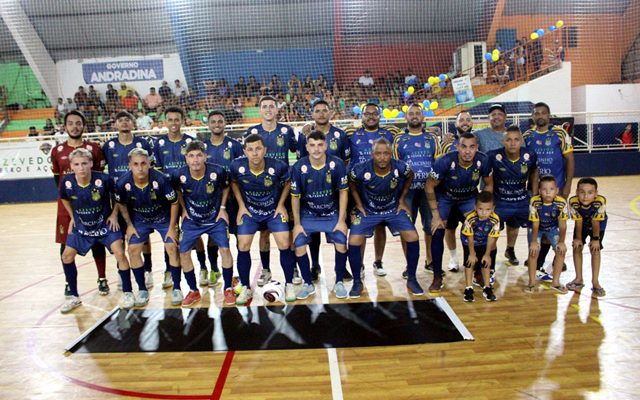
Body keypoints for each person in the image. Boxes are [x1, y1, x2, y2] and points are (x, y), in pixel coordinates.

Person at [58, 148, 133, 313]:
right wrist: (72, 217)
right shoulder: (67, 182)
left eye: (84, 163)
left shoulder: (104, 179)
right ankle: (74, 297)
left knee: (120, 253)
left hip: (105, 225)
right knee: (66, 256)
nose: (81, 168)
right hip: (82, 227)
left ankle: (128, 292)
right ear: (71, 166)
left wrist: (114, 215)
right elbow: (64, 198)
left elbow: (118, 198)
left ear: (91, 163)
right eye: (77, 164)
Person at [347, 138, 423, 297]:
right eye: (378, 153)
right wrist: (358, 203)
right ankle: (356, 282)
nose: (382, 157)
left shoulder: (400, 167)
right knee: (353, 239)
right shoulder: (361, 169)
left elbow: (410, 175)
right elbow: (351, 181)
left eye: (386, 153)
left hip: (392, 209)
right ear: (372, 154)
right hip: (369, 211)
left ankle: (412, 278)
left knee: (413, 236)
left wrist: (402, 199)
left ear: (391, 154)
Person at [230, 134, 297, 305]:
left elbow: (288, 182)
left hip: (273, 212)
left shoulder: (278, 166)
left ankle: (289, 283)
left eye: (258, 149)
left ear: (265, 150)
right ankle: (246, 287)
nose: (255, 153)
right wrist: (241, 206)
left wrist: (281, 205)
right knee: (243, 244)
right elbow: (233, 182)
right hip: (250, 212)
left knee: (284, 242)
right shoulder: (237, 166)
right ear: (245, 151)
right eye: (250, 149)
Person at [426, 133, 493, 293]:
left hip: (469, 198)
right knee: (437, 230)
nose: (467, 151)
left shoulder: (483, 160)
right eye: (463, 146)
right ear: (457, 147)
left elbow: (489, 185)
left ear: (477, 148)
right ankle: (437, 276)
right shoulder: (445, 161)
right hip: (446, 198)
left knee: (477, 228)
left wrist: (484, 206)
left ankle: (476, 273)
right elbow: (429, 186)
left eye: (472, 147)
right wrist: (435, 214)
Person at [51, 110, 108, 296]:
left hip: (93, 205)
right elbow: (57, 179)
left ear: (83, 126)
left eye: (78, 123)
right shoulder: (57, 151)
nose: (75, 126)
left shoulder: (94, 149)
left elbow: (100, 178)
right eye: (71, 123)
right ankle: (69, 283)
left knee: (97, 240)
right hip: (67, 208)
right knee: (65, 244)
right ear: (65, 126)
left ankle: (102, 278)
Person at [171, 141, 233, 307]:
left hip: (214, 218)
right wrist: (184, 209)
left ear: (205, 156)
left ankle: (228, 288)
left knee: (225, 249)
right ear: (186, 159)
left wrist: (222, 208)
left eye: (199, 155)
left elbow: (226, 188)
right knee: (183, 253)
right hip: (192, 220)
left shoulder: (218, 171)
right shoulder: (179, 175)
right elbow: (177, 191)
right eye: (191, 156)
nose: (195, 159)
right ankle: (193, 291)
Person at [115, 148, 179, 307]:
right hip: (140, 219)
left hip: (162, 217)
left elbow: (174, 202)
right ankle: (142, 289)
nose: (140, 168)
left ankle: (177, 288)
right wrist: (129, 225)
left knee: (172, 246)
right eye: (136, 164)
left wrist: (172, 227)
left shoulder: (161, 179)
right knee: (133, 250)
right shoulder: (123, 182)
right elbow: (121, 203)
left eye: (143, 163)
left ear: (149, 163)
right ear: (129, 165)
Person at [244, 96, 297, 286]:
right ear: (260, 110)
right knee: (264, 232)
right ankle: (266, 269)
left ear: (276, 110)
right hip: (260, 190)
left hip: (282, 188)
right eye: (264, 106)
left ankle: (294, 268)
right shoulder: (252, 131)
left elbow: (297, 151)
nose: (268, 109)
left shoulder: (286, 130)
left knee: (287, 230)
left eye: (271, 106)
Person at [291, 131, 349, 299]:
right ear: (307, 147)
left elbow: (343, 193)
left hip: (331, 212)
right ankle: (308, 283)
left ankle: (338, 281)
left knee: (340, 240)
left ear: (325, 145)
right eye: (312, 145)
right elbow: (295, 197)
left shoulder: (337, 164)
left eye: (320, 145)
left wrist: (341, 220)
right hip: (308, 213)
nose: (316, 149)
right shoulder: (299, 167)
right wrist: (297, 224)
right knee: (299, 242)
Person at [297, 100, 350, 281]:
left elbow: (346, 161)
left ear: (330, 113)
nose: (321, 114)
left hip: (334, 194)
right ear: (312, 114)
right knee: (312, 233)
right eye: (317, 111)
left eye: (324, 111)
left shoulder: (340, 135)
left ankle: (342, 269)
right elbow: (302, 162)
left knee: (339, 231)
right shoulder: (305, 135)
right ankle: (314, 265)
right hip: (310, 193)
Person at [345, 103, 400, 277]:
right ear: (361, 116)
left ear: (379, 116)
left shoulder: (389, 134)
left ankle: (378, 261)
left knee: (380, 226)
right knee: (358, 227)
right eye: (367, 113)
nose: (370, 116)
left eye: (374, 113)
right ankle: (359, 265)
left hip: (381, 187)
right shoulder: (350, 134)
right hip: (357, 188)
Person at [102, 111, 154, 286]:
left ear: (133, 123)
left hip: (141, 196)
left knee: (143, 235)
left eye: (127, 120)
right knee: (120, 235)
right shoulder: (108, 146)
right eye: (120, 120)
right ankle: (121, 269)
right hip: (118, 198)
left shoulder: (143, 144)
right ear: (115, 124)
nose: (124, 123)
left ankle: (147, 270)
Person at [524, 102, 574, 275]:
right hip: (536, 191)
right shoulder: (528, 136)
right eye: (536, 113)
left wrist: (567, 186)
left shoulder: (560, 133)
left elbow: (570, 160)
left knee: (555, 225)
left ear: (549, 116)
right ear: (532, 117)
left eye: (543, 113)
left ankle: (556, 259)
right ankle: (537, 259)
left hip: (557, 190)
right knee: (537, 225)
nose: (540, 116)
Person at [393, 103, 441, 277]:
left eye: (417, 114)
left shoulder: (432, 139)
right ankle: (409, 264)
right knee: (407, 227)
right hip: (407, 192)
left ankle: (430, 261)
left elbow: (439, 165)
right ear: (406, 117)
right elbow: (394, 168)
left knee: (430, 227)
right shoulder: (399, 139)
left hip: (428, 191)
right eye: (411, 113)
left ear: (422, 117)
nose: (414, 116)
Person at [487, 126, 538, 271]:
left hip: (522, 201)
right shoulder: (493, 156)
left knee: (539, 226)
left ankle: (535, 263)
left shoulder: (530, 155)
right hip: (501, 201)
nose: (512, 143)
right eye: (508, 140)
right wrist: (490, 201)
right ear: (503, 141)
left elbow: (535, 171)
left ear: (521, 141)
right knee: (492, 231)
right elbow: (487, 179)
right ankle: (490, 266)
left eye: (516, 139)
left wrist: (534, 195)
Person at [203, 111, 243, 281]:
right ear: (209, 125)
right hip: (211, 201)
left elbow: (240, 172)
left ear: (225, 123)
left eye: (220, 121)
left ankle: (241, 271)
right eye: (213, 121)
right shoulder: (203, 147)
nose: (217, 124)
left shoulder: (234, 145)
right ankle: (213, 269)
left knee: (239, 236)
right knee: (213, 237)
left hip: (233, 199)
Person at [440, 111, 475, 273]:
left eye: (468, 119)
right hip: (448, 195)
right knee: (450, 228)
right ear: (456, 124)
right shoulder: (448, 143)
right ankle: (453, 258)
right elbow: (438, 165)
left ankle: (471, 258)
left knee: (471, 227)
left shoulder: (476, 141)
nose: (465, 122)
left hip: (469, 195)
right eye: (462, 120)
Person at [525, 176, 568, 294]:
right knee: (534, 251)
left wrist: (561, 241)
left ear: (557, 190)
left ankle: (556, 282)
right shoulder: (535, 201)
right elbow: (535, 223)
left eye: (551, 189)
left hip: (552, 228)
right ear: (539, 191)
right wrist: (534, 241)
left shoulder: (561, 203)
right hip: (536, 229)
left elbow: (563, 224)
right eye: (544, 189)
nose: (548, 192)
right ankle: (531, 282)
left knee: (561, 251)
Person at [567, 178, 607, 297]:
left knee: (595, 250)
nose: (585, 196)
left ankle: (595, 282)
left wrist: (596, 239)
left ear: (596, 194)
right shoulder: (573, 201)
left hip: (598, 225)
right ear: (576, 192)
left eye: (590, 193)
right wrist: (578, 239)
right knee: (577, 247)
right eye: (582, 192)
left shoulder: (600, 201)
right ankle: (578, 279)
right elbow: (578, 221)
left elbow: (596, 221)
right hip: (582, 224)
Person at [461, 191, 499, 302]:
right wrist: (472, 254)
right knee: (470, 263)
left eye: (488, 209)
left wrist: (487, 254)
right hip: (469, 242)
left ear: (493, 208)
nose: (483, 213)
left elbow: (492, 237)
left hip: (484, 241)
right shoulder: (470, 219)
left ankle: (487, 287)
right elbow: (470, 237)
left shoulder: (495, 220)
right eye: (480, 209)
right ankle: (468, 288)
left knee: (486, 262)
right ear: (475, 207)